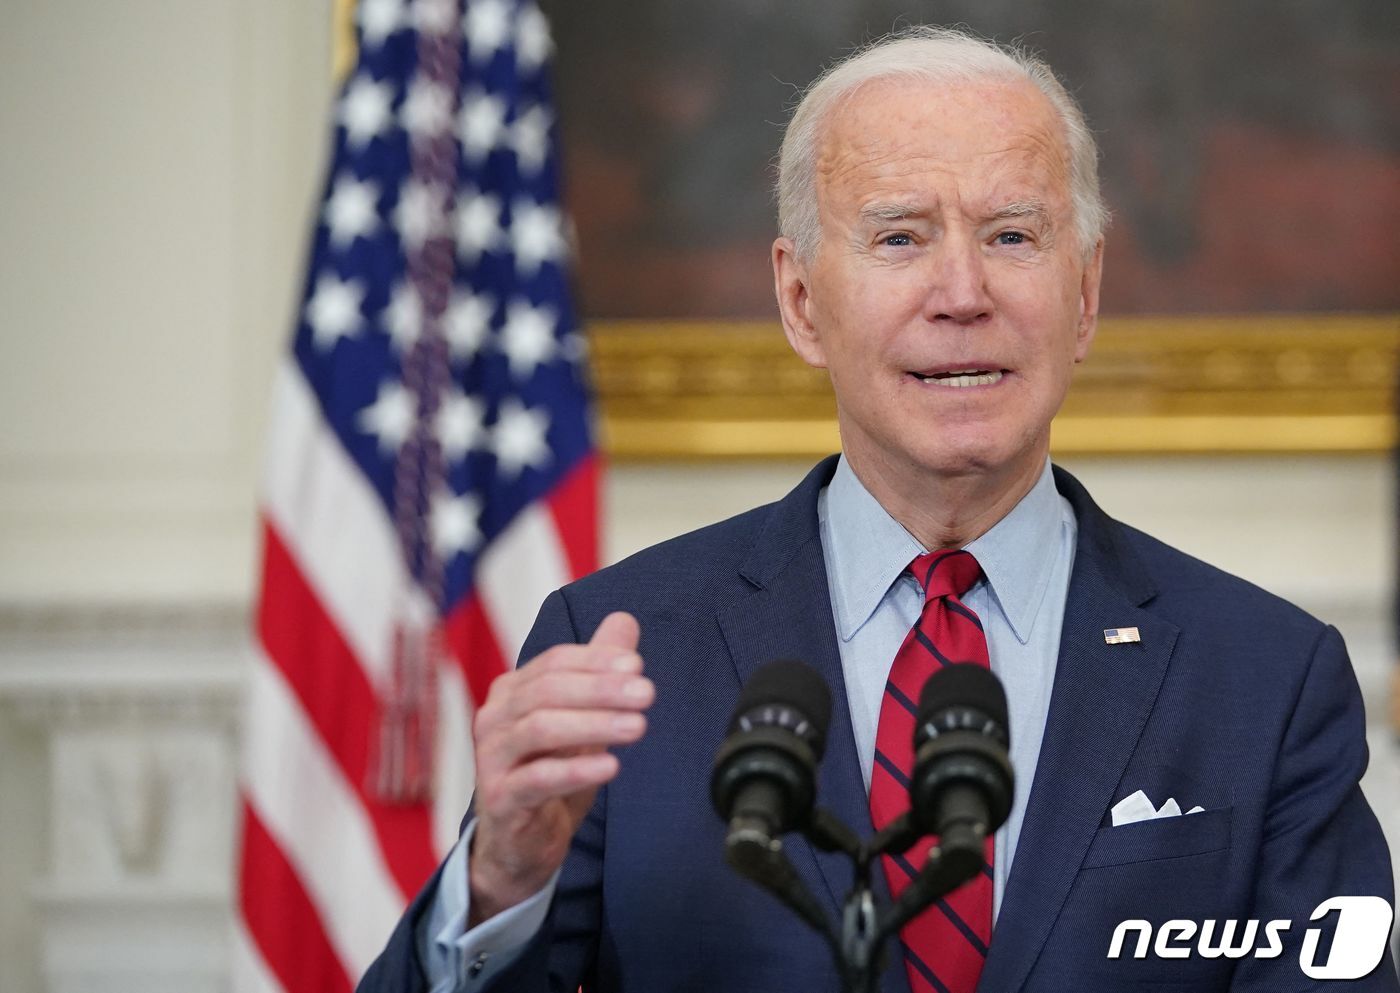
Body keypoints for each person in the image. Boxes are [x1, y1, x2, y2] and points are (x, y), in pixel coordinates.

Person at [359, 27, 1398, 993]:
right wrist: (496, 887)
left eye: (1010, 235)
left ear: (1083, 296)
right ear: (801, 301)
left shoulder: (1263, 679)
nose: (960, 292)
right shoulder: (624, 652)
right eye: (898, 238)